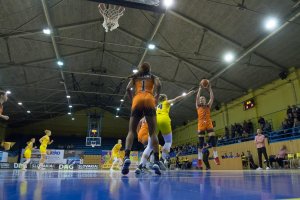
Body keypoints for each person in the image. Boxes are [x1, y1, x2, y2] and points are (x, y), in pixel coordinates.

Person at [122, 62, 162, 175]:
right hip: (149, 99)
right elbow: (159, 86)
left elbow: (127, 89)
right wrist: (157, 97)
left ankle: (126, 156)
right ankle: (156, 161)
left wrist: (132, 100)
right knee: (153, 132)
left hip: (137, 99)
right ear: (150, 69)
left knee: (131, 131)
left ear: (140, 68)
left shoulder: (135, 77)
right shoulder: (154, 77)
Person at [196, 81, 220, 169]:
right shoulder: (198, 106)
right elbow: (197, 97)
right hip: (201, 123)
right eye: (201, 99)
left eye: (203, 98)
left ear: (205, 100)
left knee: (213, 139)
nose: (201, 99)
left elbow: (212, 98)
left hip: (209, 122)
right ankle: (199, 159)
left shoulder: (208, 106)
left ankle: (215, 156)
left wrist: (210, 89)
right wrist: (199, 89)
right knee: (201, 142)